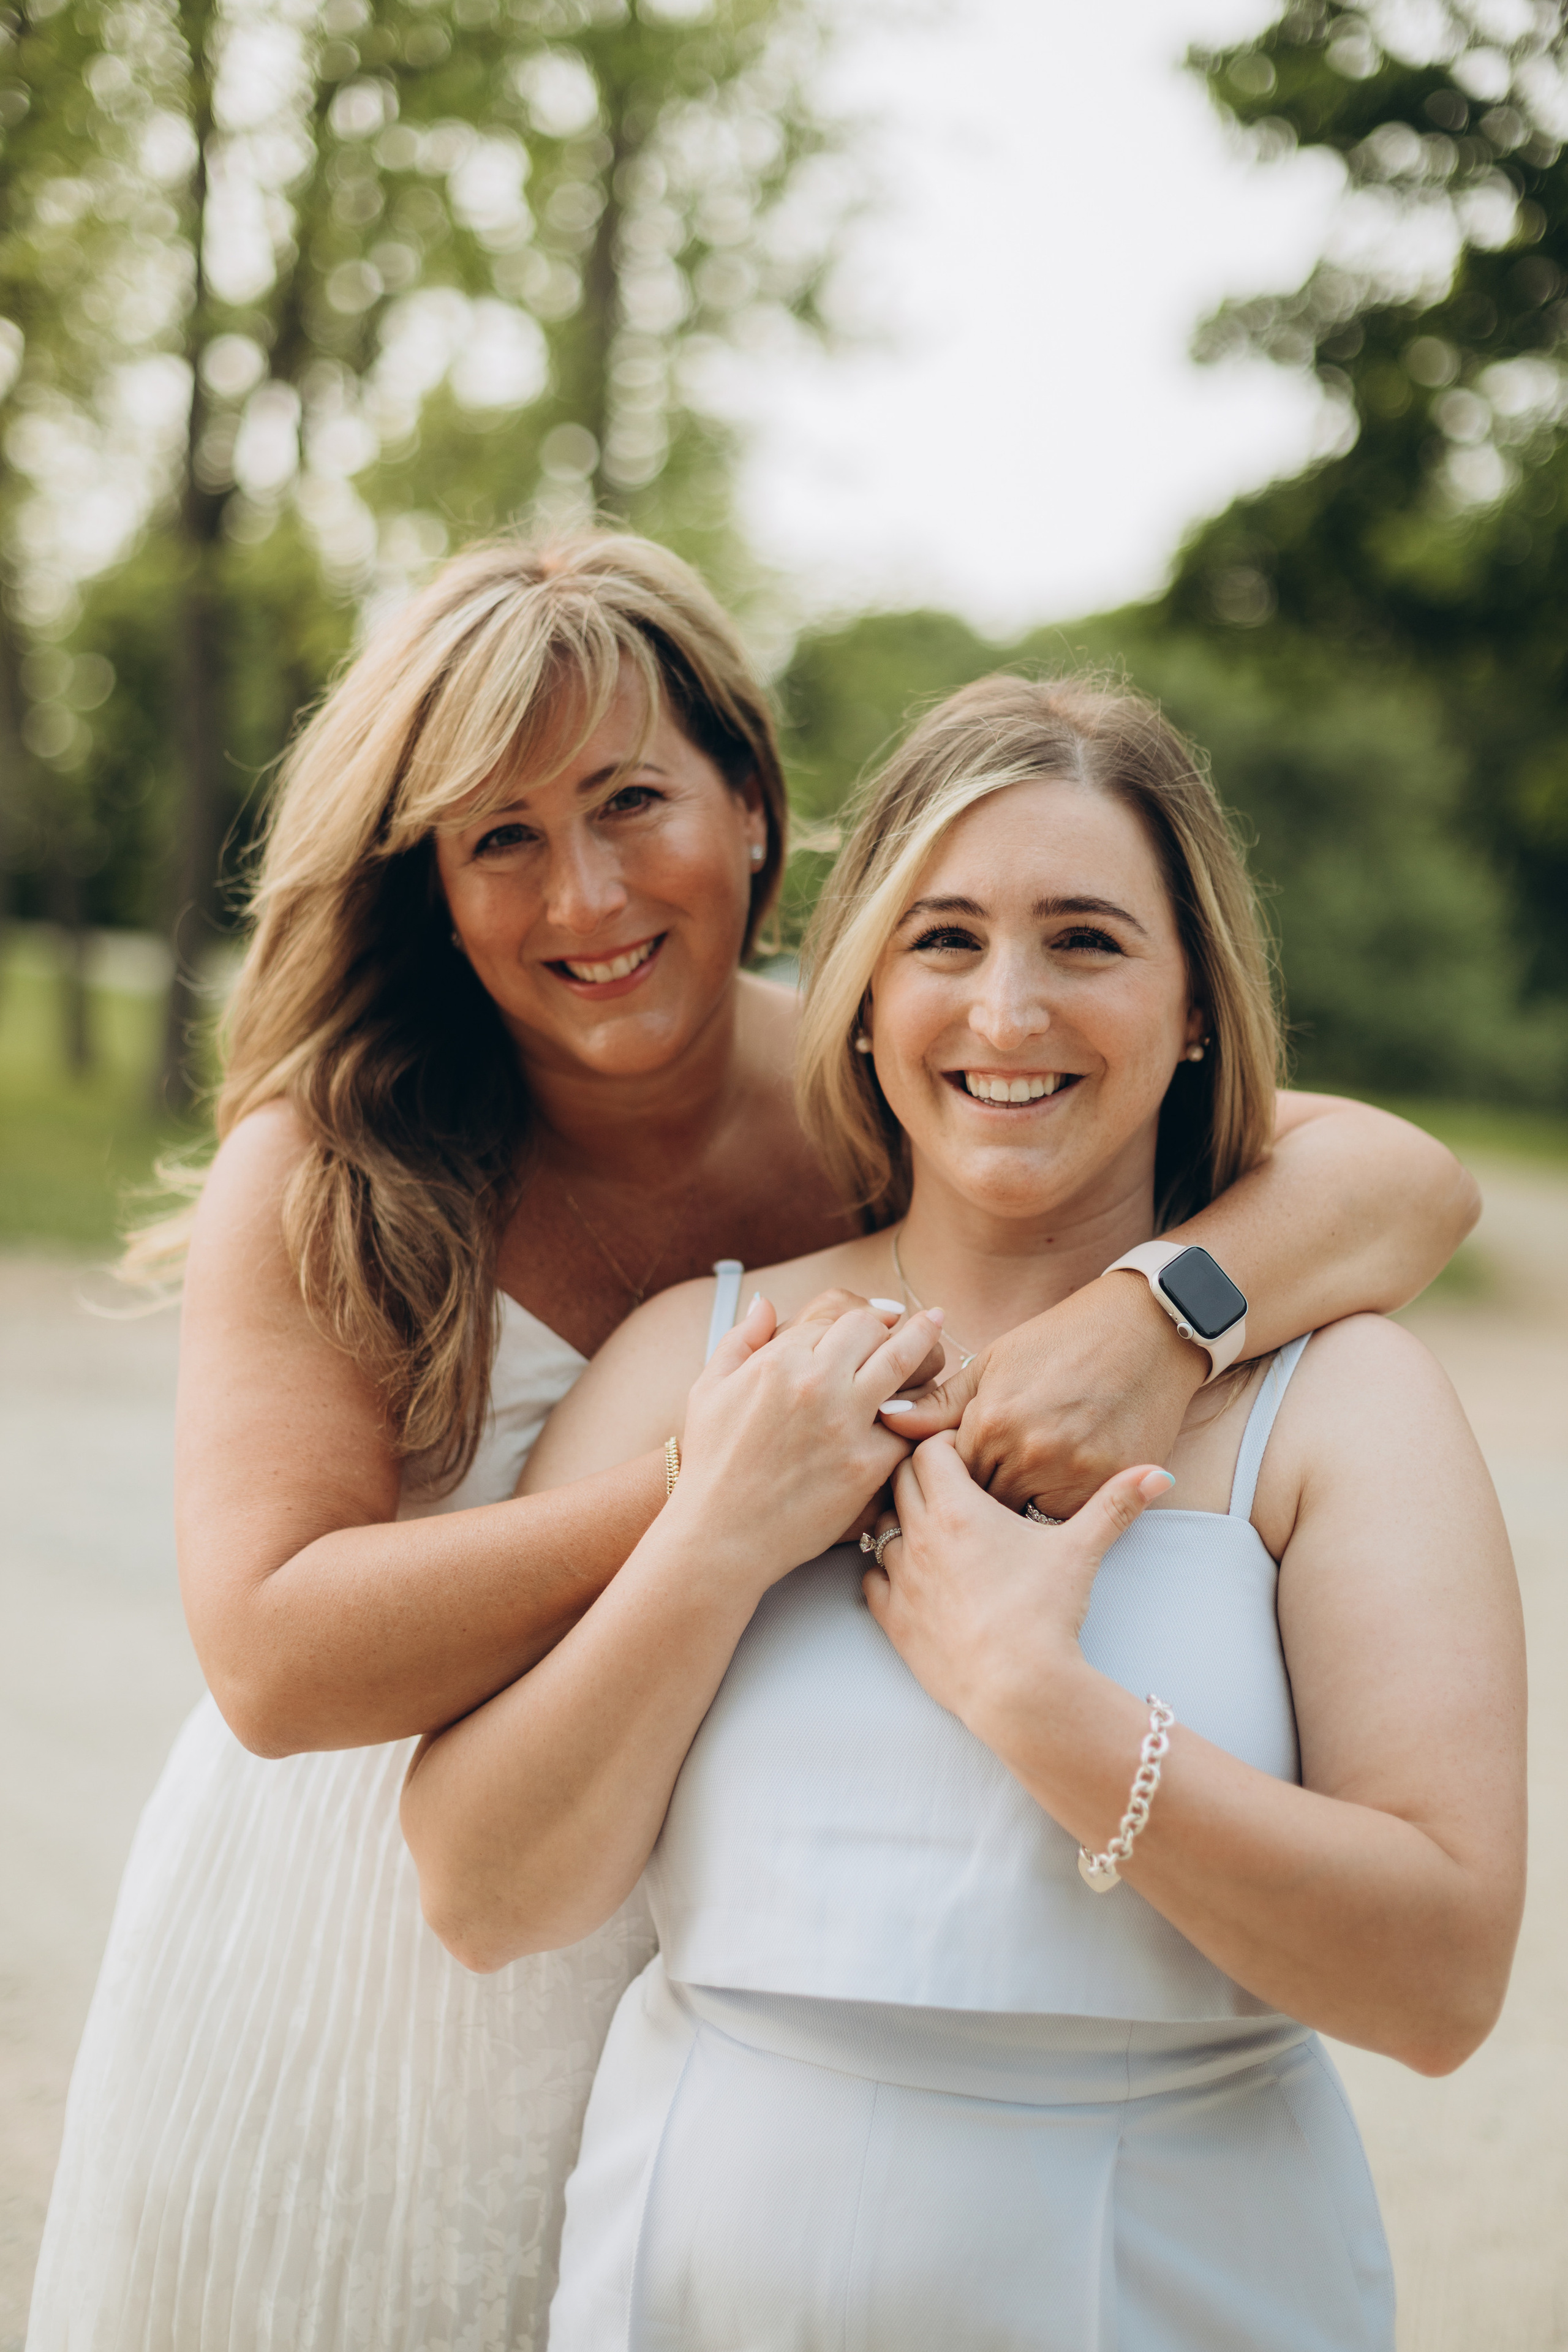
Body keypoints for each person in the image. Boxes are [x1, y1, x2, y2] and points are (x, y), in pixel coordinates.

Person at [30, 532, 1474, 2352]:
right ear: (432, 889)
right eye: (501, 838)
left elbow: (1400, 1176)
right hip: (360, 1911)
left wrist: (1154, 1314)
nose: (586, 894)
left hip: (698, 1926)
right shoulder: (345, 1166)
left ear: (753, 809)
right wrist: (709, 1496)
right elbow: (275, 1657)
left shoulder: (892, 1070)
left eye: (634, 803)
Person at [403, 673, 1526, 2352]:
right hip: (697, 2280)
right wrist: (714, 1537)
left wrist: (1041, 1707)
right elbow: (484, 1896)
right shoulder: (700, 1355)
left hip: (1172, 2283)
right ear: (858, 993)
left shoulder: (1339, 1401)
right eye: (943, 940)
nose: (1008, 1011)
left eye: (1086, 941)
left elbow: (1438, 1986)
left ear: (1198, 1004)